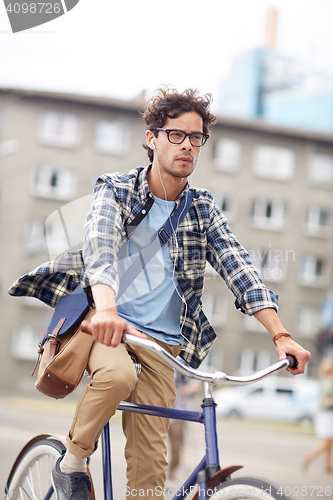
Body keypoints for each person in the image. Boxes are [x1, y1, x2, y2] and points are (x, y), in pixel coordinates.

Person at [9, 87, 311, 500]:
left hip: (163, 346)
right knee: (115, 376)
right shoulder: (116, 189)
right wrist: (109, 309)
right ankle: (72, 462)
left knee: (150, 475)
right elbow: (100, 248)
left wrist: (280, 335)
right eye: (176, 135)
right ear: (152, 138)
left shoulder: (203, 209)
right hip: (107, 327)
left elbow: (239, 268)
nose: (187, 145)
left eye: (196, 137)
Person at [167, 370, 201, 482]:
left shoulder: (184, 361)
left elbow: (195, 384)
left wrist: (186, 390)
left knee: (176, 444)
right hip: (159, 404)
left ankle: (172, 472)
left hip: (178, 409)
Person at [303, 357, 333, 474]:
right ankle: (308, 458)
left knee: (330, 441)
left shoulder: (325, 380)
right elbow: (326, 400)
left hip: (326, 413)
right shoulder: (328, 382)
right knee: (327, 441)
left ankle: (327, 465)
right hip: (327, 413)